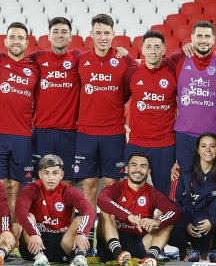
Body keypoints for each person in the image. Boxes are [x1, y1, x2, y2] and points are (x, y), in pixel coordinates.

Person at [75, 13, 136, 253]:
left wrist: (128, 56)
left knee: (111, 189)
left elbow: (131, 88)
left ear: (114, 35)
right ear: (91, 34)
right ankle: (87, 241)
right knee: (89, 187)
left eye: (107, 33)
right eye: (98, 33)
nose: (102, 37)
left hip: (113, 133)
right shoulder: (81, 60)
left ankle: (108, 243)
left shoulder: (123, 60)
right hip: (86, 133)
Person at [168, 20, 216, 173]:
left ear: (214, 39)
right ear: (192, 38)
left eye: (207, 36)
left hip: (214, 135)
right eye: (199, 36)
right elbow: (154, 63)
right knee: (185, 178)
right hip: (184, 135)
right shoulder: (178, 59)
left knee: (212, 181)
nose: (203, 40)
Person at [0, 22, 38, 214]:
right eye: (12, 37)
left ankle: (13, 231)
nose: (16, 41)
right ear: (6, 41)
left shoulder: (34, 68)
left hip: (23, 136)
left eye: (20, 38)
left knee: (16, 189)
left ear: (27, 43)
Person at [97, 153, 178, 266]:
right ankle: (119, 254)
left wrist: (158, 221)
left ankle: (149, 258)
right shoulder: (117, 188)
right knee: (105, 211)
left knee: (167, 222)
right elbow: (101, 200)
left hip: (140, 243)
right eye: (134, 165)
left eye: (143, 166)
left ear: (148, 171)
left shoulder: (152, 192)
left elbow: (175, 211)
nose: (138, 169)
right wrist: (128, 216)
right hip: (112, 246)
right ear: (126, 169)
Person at [14, 154, 95, 266]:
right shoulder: (31, 189)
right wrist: (33, 233)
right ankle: (39, 257)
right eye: (46, 173)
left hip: (62, 244)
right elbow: (20, 210)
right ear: (40, 174)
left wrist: (82, 233)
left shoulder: (68, 191)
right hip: (35, 242)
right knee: (28, 216)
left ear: (61, 175)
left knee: (80, 219)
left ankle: (80, 257)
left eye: (55, 173)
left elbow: (89, 211)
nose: (50, 178)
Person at [30, 16, 83, 183]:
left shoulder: (79, 58)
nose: (60, 35)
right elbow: (11, 61)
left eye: (64, 32)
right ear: (49, 36)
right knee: (40, 180)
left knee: (66, 182)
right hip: (42, 131)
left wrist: (122, 53)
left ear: (71, 37)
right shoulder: (36, 58)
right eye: (56, 31)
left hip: (69, 131)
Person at [124, 30, 177, 195]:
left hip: (165, 145)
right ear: (142, 49)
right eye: (148, 47)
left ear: (164, 50)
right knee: (132, 192)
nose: (152, 51)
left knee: (165, 194)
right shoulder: (132, 71)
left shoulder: (174, 72)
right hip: (137, 143)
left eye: (157, 47)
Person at [171, 133, 216, 262]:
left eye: (212, 146)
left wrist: (212, 221)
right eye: (203, 146)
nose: (208, 150)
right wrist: (185, 222)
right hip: (184, 217)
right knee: (167, 227)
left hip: (204, 218)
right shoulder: (184, 172)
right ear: (198, 150)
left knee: (203, 222)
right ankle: (184, 248)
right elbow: (174, 202)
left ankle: (203, 251)